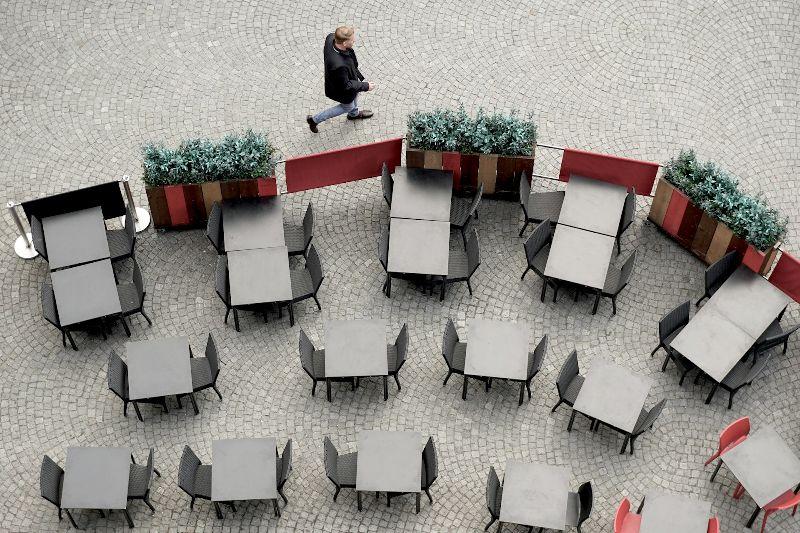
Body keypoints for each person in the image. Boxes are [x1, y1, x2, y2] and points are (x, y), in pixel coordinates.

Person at [307, 26, 374, 133]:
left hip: (346, 80)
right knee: (348, 106)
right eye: (352, 40)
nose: (354, 41)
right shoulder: (339, 66)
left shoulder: (331, 38)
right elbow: (346, 86)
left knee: (355, 94)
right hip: (342, 90)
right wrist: (366, 86)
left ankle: (354, 114)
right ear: (344, 43)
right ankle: (314, 120)